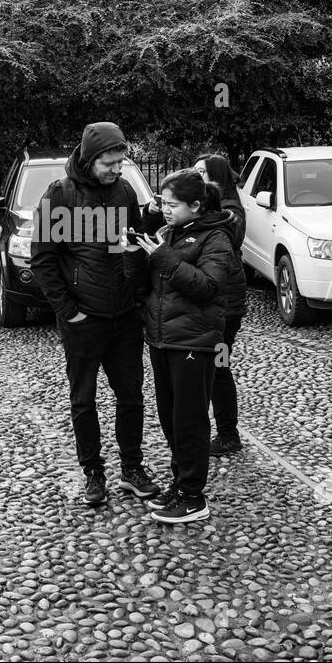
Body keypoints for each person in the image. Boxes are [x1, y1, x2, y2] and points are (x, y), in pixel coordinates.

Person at [30, 122, 161, 507]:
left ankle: (132, 468)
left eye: (121, 162)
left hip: (124, 318)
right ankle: (93, 473)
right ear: (90, 160)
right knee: (83, 401)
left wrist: (137, 298)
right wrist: (68, 312)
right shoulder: (60, 196)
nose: (117, 170)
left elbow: (133, 245)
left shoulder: (123, 191)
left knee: (131, 397)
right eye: (109, 163)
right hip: (83, 321)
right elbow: (43, 261)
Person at [123, 169, 234, 524]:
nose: (165, 210)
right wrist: (135, 252)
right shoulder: (169, 234)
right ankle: (180, 483)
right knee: (171, 418)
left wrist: (164, 258)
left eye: (172, 204)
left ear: (196, 205)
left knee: (189, 420)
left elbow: (207, 287)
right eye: (162, 203)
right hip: (162, 338)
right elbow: (144, 285)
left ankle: (193, 496)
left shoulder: (216, 238)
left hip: (194, 342)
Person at [194, 154, 247, 455]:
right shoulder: (215, 207)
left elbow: (230, 236)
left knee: (219, 367)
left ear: (216, 177)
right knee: (215, 367)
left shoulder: (230, 211)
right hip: (218, 304)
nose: (197, 176)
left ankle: (228, 434)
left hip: (227, 308)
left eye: (202, 172)